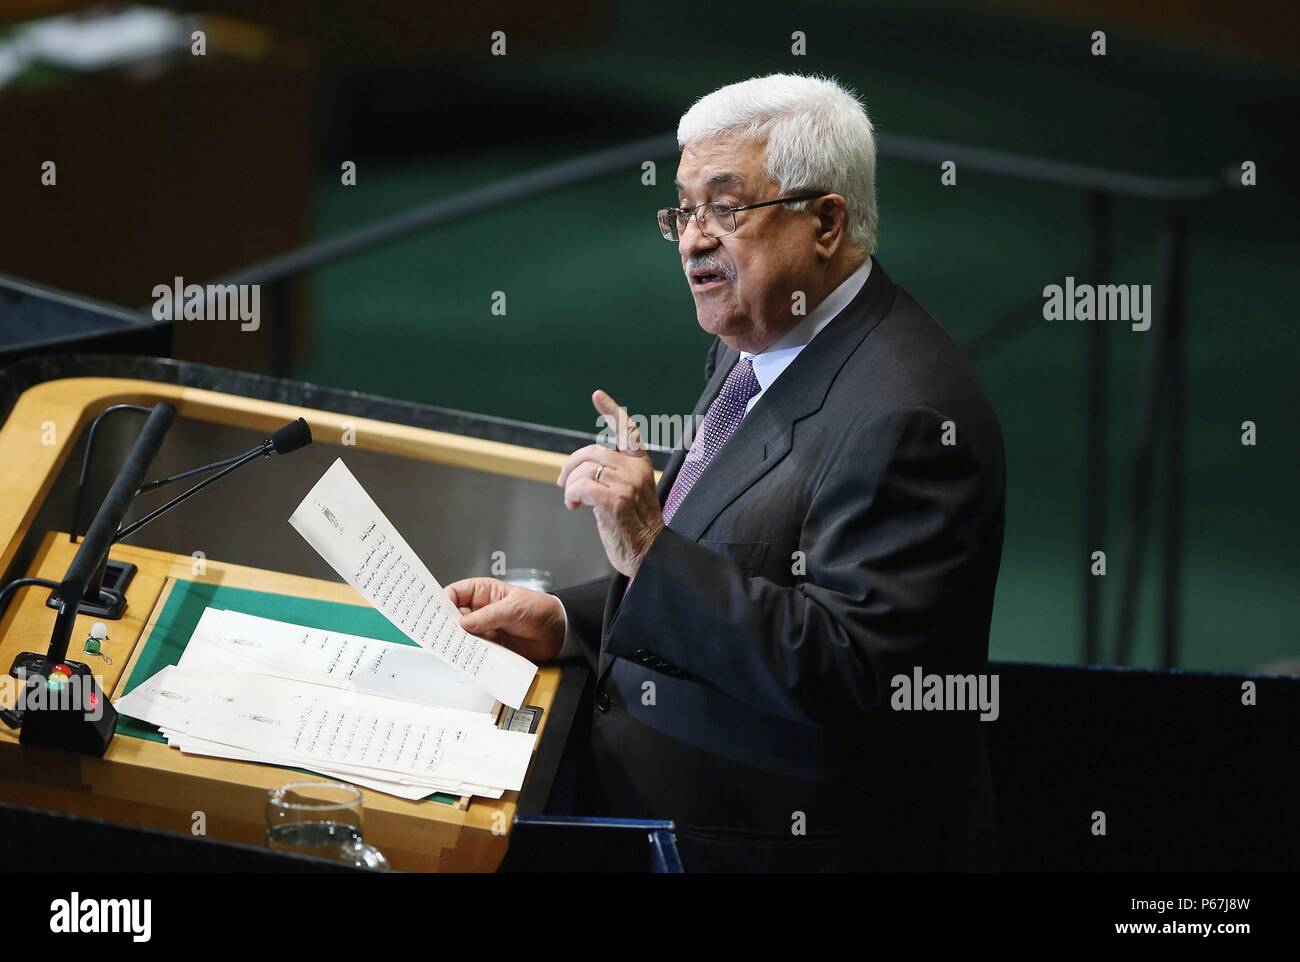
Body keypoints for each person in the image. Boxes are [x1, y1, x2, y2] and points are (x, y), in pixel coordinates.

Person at [447, 73, 1005, 871]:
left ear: (826, 221)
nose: (692, 239)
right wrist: (568, 621)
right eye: (683, 210)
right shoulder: (757, 345)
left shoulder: (908, 418)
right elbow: (737, 568)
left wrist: (645, 541)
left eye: (727, 208)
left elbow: (852, 675)